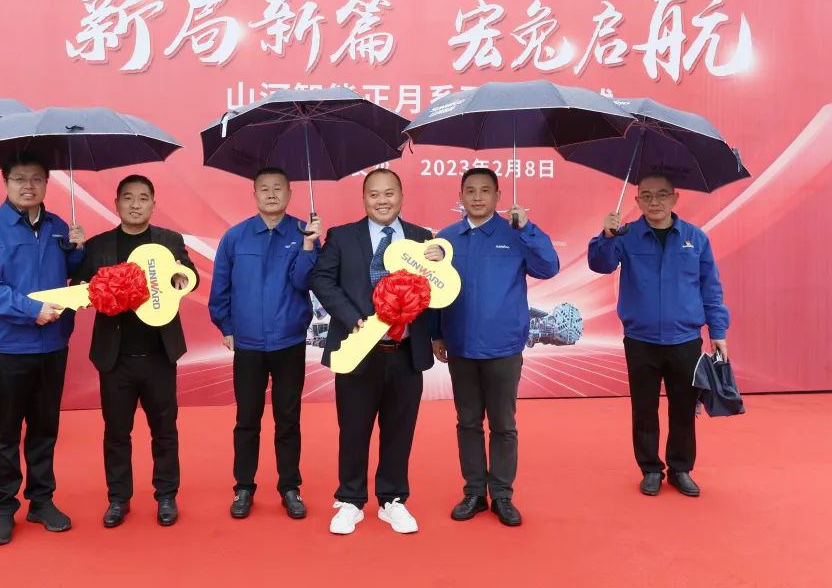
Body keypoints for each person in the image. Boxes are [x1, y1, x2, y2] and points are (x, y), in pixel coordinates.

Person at [310, 168, 439, 535]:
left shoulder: (422, 238)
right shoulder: (341, 236)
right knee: (353, 429)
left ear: (401, 196)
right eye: (374, 194)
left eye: (389, 193)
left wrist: (438, 263)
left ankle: (392, 499)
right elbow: (320, 279)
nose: (383, 201)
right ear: (364, 198)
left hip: (405, 351)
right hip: (357, 349)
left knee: (399, 429)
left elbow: (438, 291)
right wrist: (352, 318)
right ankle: (350, 500)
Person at [0, 153, 85, 546]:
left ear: (47, 183)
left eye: (36, 178)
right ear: (6, 182)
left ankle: (41, 500)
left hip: (53, 346)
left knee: (45, 428)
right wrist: (32, 310)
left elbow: (71, 274)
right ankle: (3, 507)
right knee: (5, 431)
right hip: (9, 348)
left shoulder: (58, 227)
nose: (28, 186)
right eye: (19, 178)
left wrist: (78, 250)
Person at [588, 173, 729, 498]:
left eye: (662, 195)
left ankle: (680, 469)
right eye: (647, 196)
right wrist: (605, 236)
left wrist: (718, 331)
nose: (655, 202)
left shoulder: (696, 238)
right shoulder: (626, 235)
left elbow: (711, 288)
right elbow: (600, 264)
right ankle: (650, 469)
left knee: (684, 409)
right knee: (644, 408)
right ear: (637, 201)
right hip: (641, 340)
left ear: (675, 198)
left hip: (685, 340)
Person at [432, 168, 559, 528]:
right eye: (470, 191)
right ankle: (474, 491)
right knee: (468, 422)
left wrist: (527, 228)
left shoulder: (515, 233)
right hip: (460, 345)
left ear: (498, 197)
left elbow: (549, 267)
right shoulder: (445, 239)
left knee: (503, 424)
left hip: (503, 347)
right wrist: (436, 334)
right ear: (460, 196)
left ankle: (502, 494)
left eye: (485, 191)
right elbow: (434, 289)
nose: (477, 197)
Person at [73, 175, 195, 529]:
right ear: (117, 203)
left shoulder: (169, 241)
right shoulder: (98, 245)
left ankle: (166, 495)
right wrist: (77, 254)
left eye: (143, 198)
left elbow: (189, 276)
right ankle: (118, 498)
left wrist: (180, 278)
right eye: (128, 197)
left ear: (153, 204)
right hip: (115, 357)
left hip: (159, 354)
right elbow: (79, 287)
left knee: (165, 430)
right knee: (116, 433)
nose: (135, 204)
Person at [208, 167, 321, 520]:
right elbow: (220, 287)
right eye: (264, 189)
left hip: (289, 341)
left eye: (278, 188)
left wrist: (308, 246)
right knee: (247, 418)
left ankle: (290, 487)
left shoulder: (304, 232)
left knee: (288, 418)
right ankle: (243, 487)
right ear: (254, 194)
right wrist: (226, 325)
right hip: (249, 344)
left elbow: (303, 283)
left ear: (290, 194)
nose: (271, 194)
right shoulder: (235, 237)